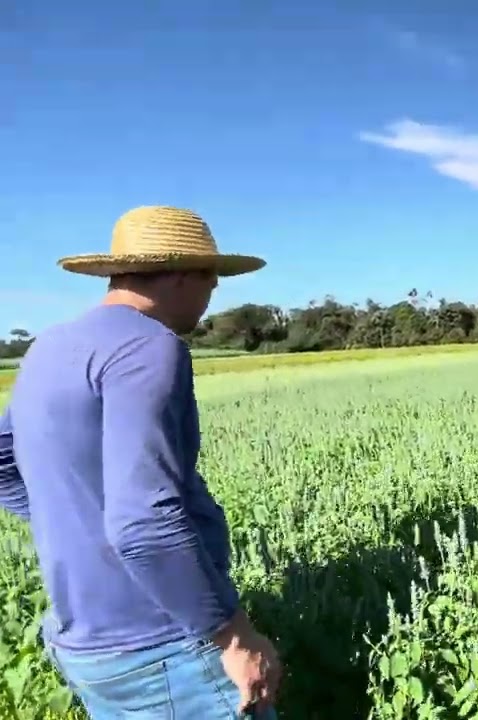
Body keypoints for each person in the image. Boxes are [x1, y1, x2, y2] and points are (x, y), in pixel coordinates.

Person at [0, 205, 283, 718]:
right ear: (180, 274)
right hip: (164, 646)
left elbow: (1, 460)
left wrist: (82, 525)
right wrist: (235, 638)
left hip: (85, 647)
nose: (214, 291)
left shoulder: (49, 346)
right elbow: (145, 522)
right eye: (212, 277)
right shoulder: (150, 347)